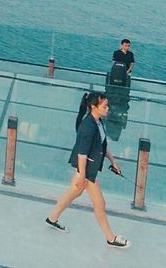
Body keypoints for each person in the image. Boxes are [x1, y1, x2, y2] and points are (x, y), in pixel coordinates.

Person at [45, 92, 130, 248]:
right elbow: (82, 154)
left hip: (87, 169)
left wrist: (113, 161)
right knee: (100, 204)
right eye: (105, 106)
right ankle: (111, 238)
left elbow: (102, 145)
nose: (108, 109)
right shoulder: (87, 127)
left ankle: (52, 218)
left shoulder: (98, 122)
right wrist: (82, 175)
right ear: (93, 107)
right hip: (86, 170)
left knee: (74, 192)